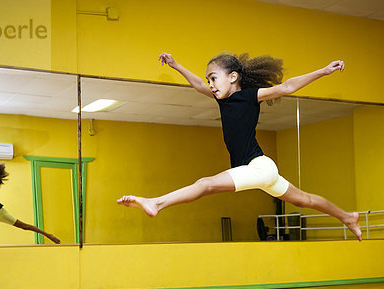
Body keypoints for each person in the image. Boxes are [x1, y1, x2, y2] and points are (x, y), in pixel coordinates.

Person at [117, 52, 362, 241]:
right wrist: (176, 65)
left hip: (259, 167)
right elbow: (198, 86)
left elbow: (287, 87)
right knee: (304, 199)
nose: (210, 84)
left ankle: (156, 203)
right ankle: (348, 217)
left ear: (233, 77)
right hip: (260, 170)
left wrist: (323, 71)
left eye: (214, 78)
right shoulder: (220, 99)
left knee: (205, 184)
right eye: (209, 80)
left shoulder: (249, 96)